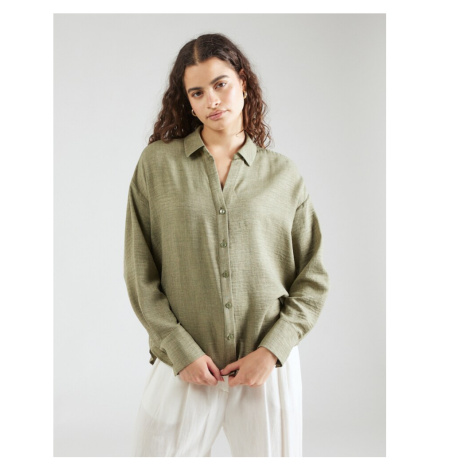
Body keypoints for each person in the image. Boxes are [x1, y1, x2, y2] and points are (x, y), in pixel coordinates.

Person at [123, 33, 330, 457]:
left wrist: (272, 351)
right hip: (183, 365)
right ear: (187, 101)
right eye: (197, 92)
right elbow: (139, 271)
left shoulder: (283, 175)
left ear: (243, 84)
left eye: (221, 84)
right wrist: (179, 349)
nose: (212, 100)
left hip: (265, 371)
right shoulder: (157, 165)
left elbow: (313, 276)